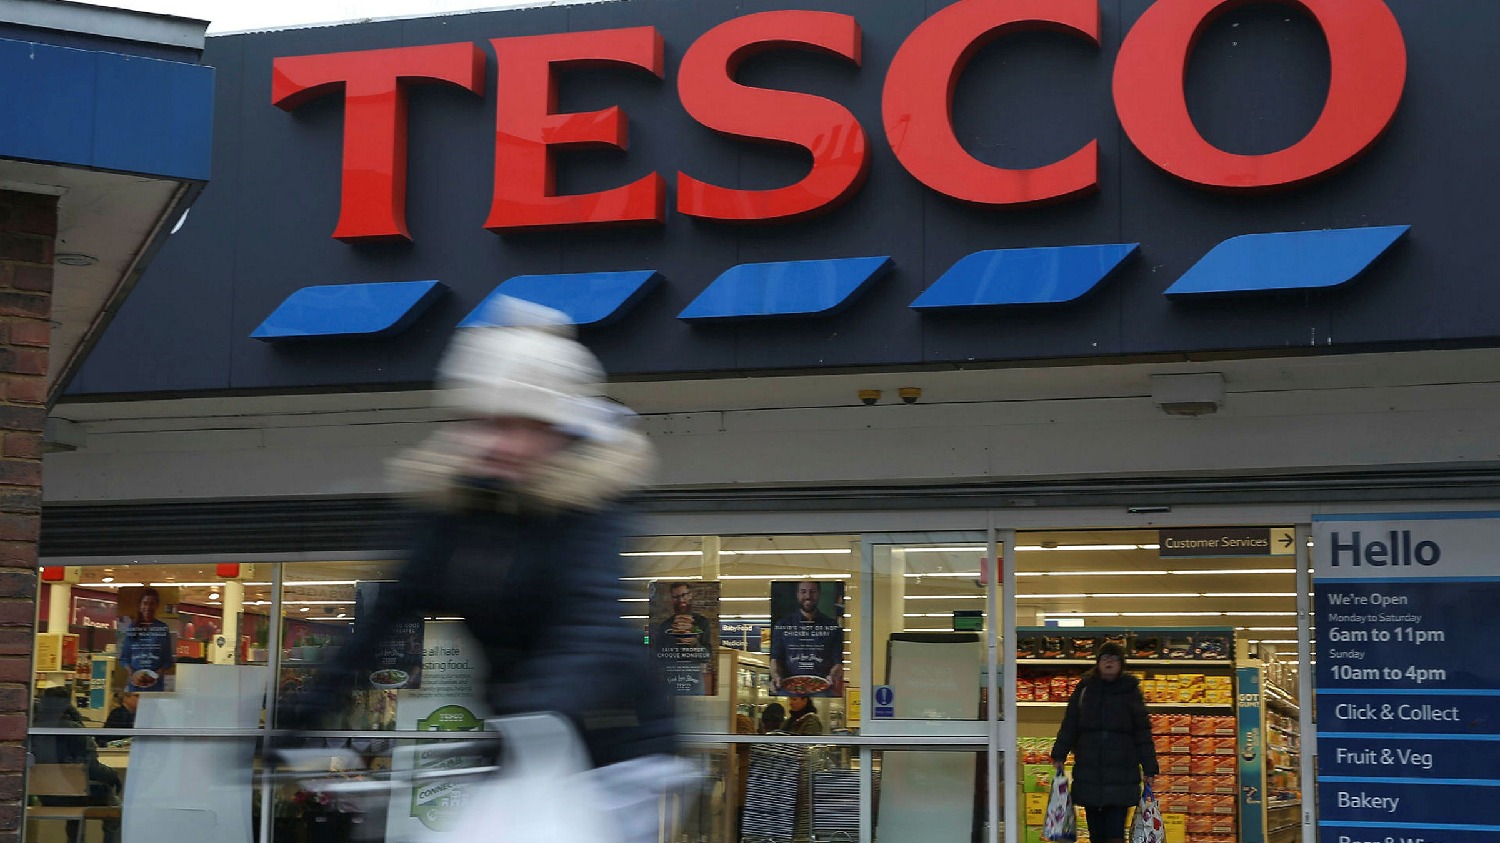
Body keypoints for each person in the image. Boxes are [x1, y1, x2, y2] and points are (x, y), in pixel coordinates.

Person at [282, 298, 687, 842]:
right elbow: (385, 617)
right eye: (484, 421)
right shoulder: (447, 514)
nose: (498, 443)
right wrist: (299, 716)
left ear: (560, 430)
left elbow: (589, 626)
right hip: (522, 742)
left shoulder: (591, 509)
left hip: (618, 748)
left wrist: (532, 713)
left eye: (522, 424)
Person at [1050, 642, 1158, 843]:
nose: (1109, 662)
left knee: (1115, 833)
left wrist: (1150, 768)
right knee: (1096, 834)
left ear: (1121, 664)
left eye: (1114, 658)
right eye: (1105, 658)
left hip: (1121, 775)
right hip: (1090, 774)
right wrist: (1059, 753)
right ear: (1098, 663)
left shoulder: (1131, 692)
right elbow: (1070, 723)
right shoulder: (1084, 689)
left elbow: (1142, 732)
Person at [31, 686, 122, 843]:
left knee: (75, 793)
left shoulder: (32, 730)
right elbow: (92, 768)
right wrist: (113, 776)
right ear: (68, 704)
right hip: (76, 794)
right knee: (115, 805)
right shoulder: (74, 730)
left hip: (47, 797)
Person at [768, 580, 844, 694]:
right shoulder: (782, 625)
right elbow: (775, 660)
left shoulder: (833, 627)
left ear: (818, 594)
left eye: (812, 591)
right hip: (788, 689)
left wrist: (832, 676)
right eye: (803, 592)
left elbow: (838, 662)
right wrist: (776, 676)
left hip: (823, 690)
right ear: (797, 594)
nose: (808, 596)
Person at [116, 587, 173, 692]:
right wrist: (132, 673)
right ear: (140, 606)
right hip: (135, 686)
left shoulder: (162, 628)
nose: (148, 607)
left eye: (152, 603)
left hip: (156, 687)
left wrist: (158, 673)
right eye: (145, 603)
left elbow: (168, 661)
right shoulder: (132, 628)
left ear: (157, 606)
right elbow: (124, 658)